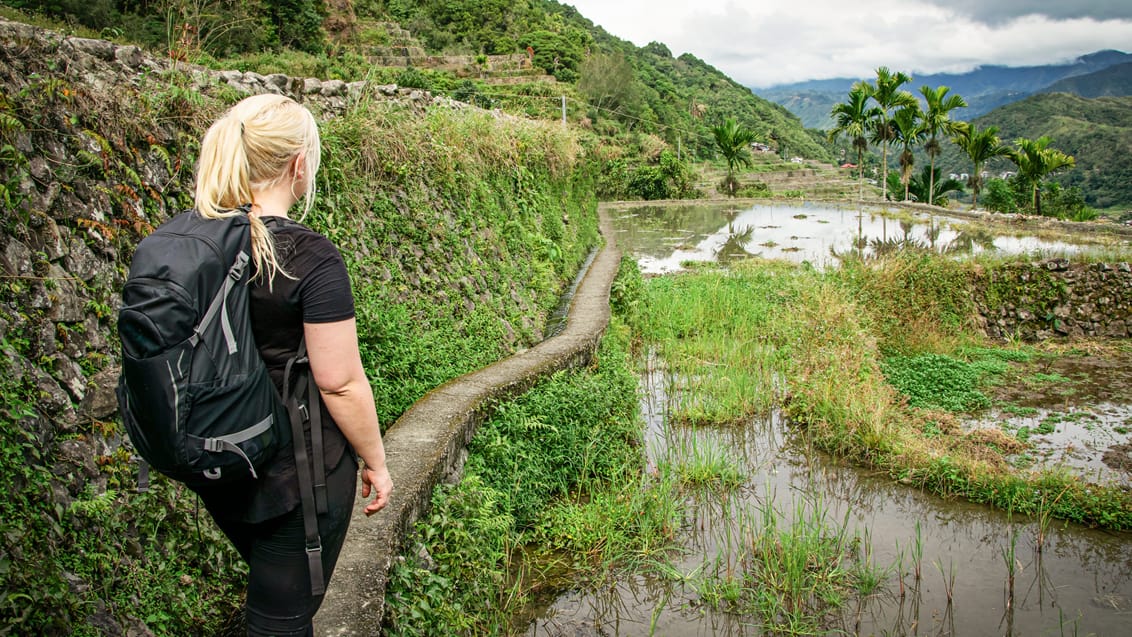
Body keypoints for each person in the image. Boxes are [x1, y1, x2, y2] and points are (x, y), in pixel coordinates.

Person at [188, 93, 393, 636]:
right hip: (294, 471)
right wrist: (376, 460)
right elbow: (340, 381)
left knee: (271, 595)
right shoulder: (309, 255)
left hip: (217, 461)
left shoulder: (193, 242)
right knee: (281, 621)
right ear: (298, 164)